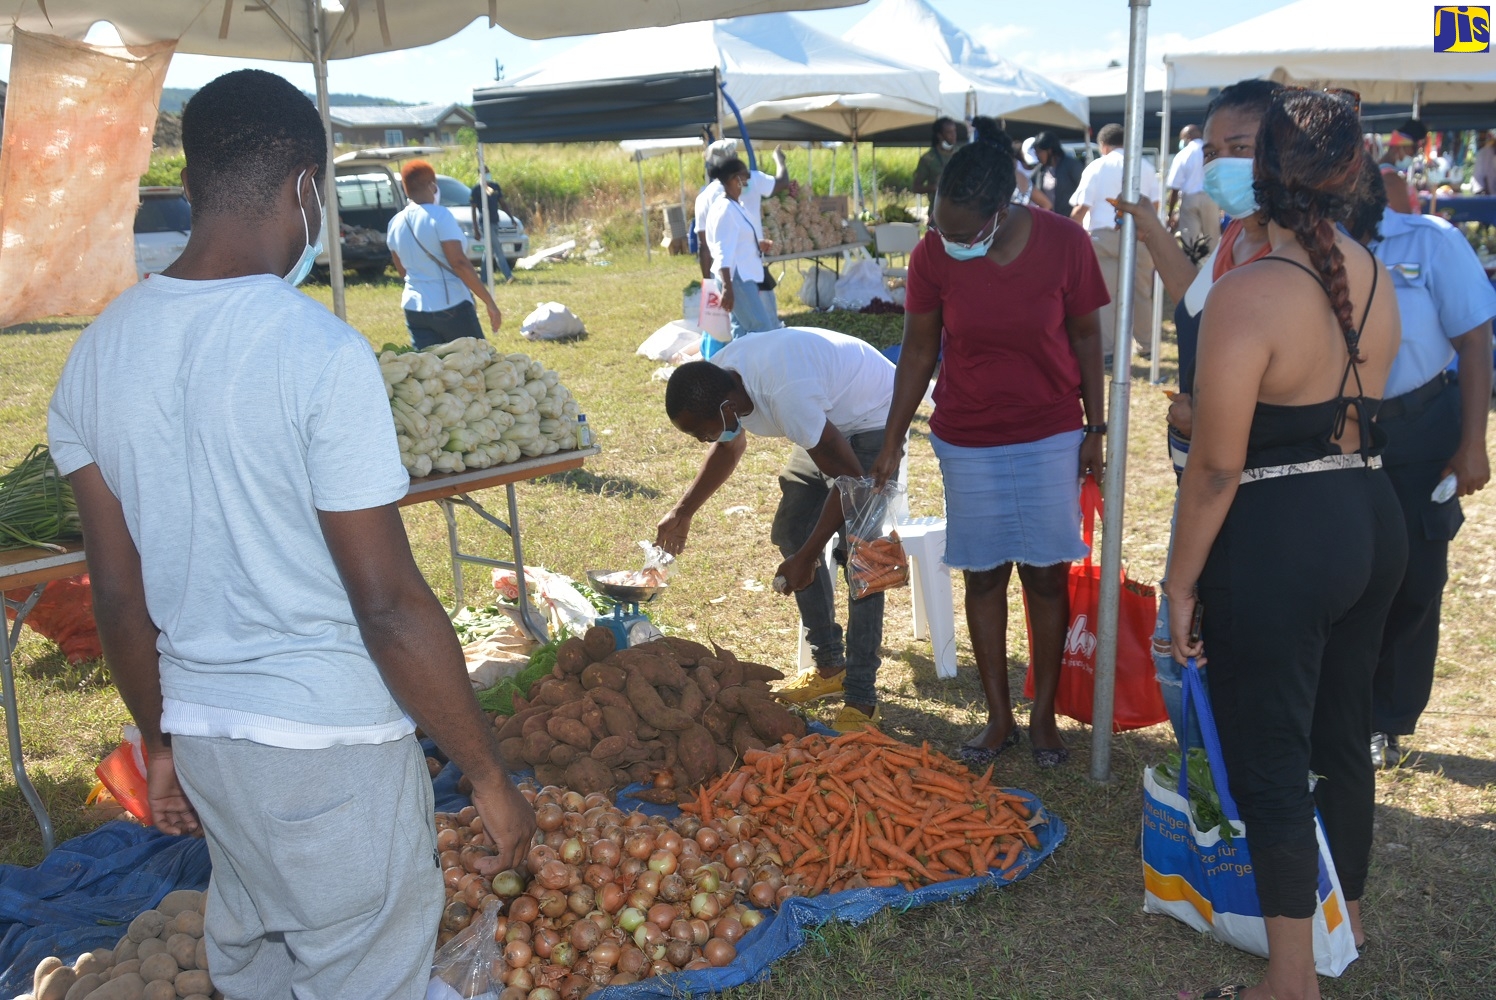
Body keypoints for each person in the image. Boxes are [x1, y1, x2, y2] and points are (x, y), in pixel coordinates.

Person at [46, 70, 535, 1000]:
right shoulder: (318, 352)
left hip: (209, 739)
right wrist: (486, 773)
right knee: (365, 973)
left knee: (260, 963)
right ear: (307, 188)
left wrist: (159, 743)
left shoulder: (97, 353)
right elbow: (387, 601)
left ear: (189, 184)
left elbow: (117, 592)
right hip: (331, 744)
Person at [1168, 90, 1406, 1000]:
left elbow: (1217, 467)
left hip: (1284, 537)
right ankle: (1334, 925)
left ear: (1258, 169)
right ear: (1354, 176)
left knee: (1269, 754)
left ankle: (1290, 982)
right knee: (1340, 737)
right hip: (1369, 517)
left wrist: (1180, 583)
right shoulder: (1371, 273)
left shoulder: (1251, 290)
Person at [871, 117, 1109, 769]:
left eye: (962, 233)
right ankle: (999, 717)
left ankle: (1045, 719)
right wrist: (892, 440)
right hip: (967, 437)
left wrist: (1096, 428)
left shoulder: (1065, 244)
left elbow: (1088, 338)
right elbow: (919, 350)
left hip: (1051, 432)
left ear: (1003, 211)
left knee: (1045, 576)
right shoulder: (930, 256)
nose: (948, 243)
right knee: (983, 573)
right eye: (941, 229)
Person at [1113, 78, 1284, 749]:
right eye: (1212, 149)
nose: (1221, 164)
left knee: (1208, 628)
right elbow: (1194, 301)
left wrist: (1205, 410)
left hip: (1247, 476)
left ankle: (1234, 768)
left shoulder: (1294, 250)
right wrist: (1152, 228)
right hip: (1201, 463)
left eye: (1239, 147)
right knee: (1197, 628)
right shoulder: (1239, 233)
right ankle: (1214, 762)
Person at [655, 328, 896, 733]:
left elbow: (853, 483)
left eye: (702, 431)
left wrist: (807, 557)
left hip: (875, 413)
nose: (702, 440)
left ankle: (861, 696)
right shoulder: (721, 378)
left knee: (862, 550)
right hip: (825, 418)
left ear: (729, 408)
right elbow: (729, 446)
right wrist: (684, 511)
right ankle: (829, 666)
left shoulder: (787, 394)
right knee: (792, 527)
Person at [1345, 156, 1495, 769]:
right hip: (1335, 433)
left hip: (1417, 429)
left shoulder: (1429, 241)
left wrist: (1472, 442)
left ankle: (1387, 717)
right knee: (1343, 574)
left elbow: (1474, 341)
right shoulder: (1300, 246)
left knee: (1415, 578)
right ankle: (1342, 708)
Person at [388, 159, 503, 349]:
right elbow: (459, 263)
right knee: (477, 363)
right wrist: (489, 302)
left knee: (432, 371)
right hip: (450, 305)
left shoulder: (395, 222)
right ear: (432, 186)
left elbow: (402, 271)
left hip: (414, 308)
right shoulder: (440, 216)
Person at [1071, 122, 1160, 361]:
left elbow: (1082, 207)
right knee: (1142, 293)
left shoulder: (1097, 166)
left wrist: (1072, 236)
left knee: (1106, 297)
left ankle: (1109, 351)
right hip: (1139, 235)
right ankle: (1147, 346)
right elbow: (1155, 206)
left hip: (1103, 237)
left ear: (1103, 145)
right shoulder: (1146, 166)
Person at [704, 157, 780, 354]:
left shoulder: (735, 205)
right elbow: (723, 251)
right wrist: (728, 288)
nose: (748, 181)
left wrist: (756, 244)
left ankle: (739, 374)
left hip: (739, 277)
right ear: (734, 179)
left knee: (742, 331)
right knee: (762, 329)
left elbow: (735, 240)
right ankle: (758, 373)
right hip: (736, 279)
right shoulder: (725, 210)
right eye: (745, 176)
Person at [694, 139, 788, 280]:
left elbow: (704, 246)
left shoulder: (704, 197)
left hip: (731, 273)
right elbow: (782, 182)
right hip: (740, 273)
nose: (746, 178)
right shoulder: (752, 180)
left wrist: (707, 281)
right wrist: (779, 160)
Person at [1166, 123, 1221, 256]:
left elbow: (1174, 187)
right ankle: (1213, 270)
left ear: (1187, 137)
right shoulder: (1211, 151)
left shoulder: (1182, 155)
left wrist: (1170, 212)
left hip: (1189, 200)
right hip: (1211, 198)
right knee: (1212, 239)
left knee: (1190, 242)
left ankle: (1193, 271)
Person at [469, 167, 515, 283]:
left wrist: (511, 218)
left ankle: (483, 278)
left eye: (488, 172)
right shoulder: (476, 190)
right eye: (484, 173)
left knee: (488, 251)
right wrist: (476, 229)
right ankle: (508, 276)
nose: (487, 174)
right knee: (498, 249)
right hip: (485, 223)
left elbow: (503, 204)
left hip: (495, 222)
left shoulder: (495, 187)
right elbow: (473, 211)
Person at [1030, 131, 1085, 219]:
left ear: (1050, 150)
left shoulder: (1071, 166)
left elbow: (1084, 191)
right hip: (1049, 220)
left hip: (1069, 220)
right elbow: (1029, 188)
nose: (1037, 155)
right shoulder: (1039, 171)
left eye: (1039, 152)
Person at [1379, 118, 1427, 214]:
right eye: (1413, 150)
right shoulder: (1391, 179)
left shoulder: (1379, 171)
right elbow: (1404, 221)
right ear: (1398, 147)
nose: (1413, 156)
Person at [912, 117, 960, 197]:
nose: (953, 135)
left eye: (954, 131)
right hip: (937, 207)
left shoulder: (961, 155)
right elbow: (916, 188)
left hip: (960, 206)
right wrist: (935, 188)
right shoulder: (928, 159)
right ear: (940, 135)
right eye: (949, 132)